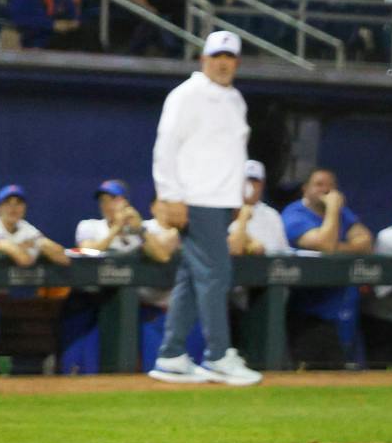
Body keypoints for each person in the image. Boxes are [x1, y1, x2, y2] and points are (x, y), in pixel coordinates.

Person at [147, 31, 261, 386]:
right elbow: (165, 147)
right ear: (203, 59)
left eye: (229, 57)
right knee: (215, 276)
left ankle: (171, 355)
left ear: (237, 62)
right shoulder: (186, 95)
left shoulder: (236, 100)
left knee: (193, 278)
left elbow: (233, 151)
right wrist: (170, 195)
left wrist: (240, 193)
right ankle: (218, 356)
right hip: (195, 198)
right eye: (217, 56)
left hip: (221, 199)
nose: (223, 63)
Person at [280, 166, 375, 367]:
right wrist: (333, 209)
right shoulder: (294, 213)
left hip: (338, 307)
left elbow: (365, 242)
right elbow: (324, 244)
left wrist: (337, 247)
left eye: (331, 186)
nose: (326, 190)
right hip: (305, 310)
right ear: (305, 189)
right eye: (319, 184)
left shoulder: (344, 213)